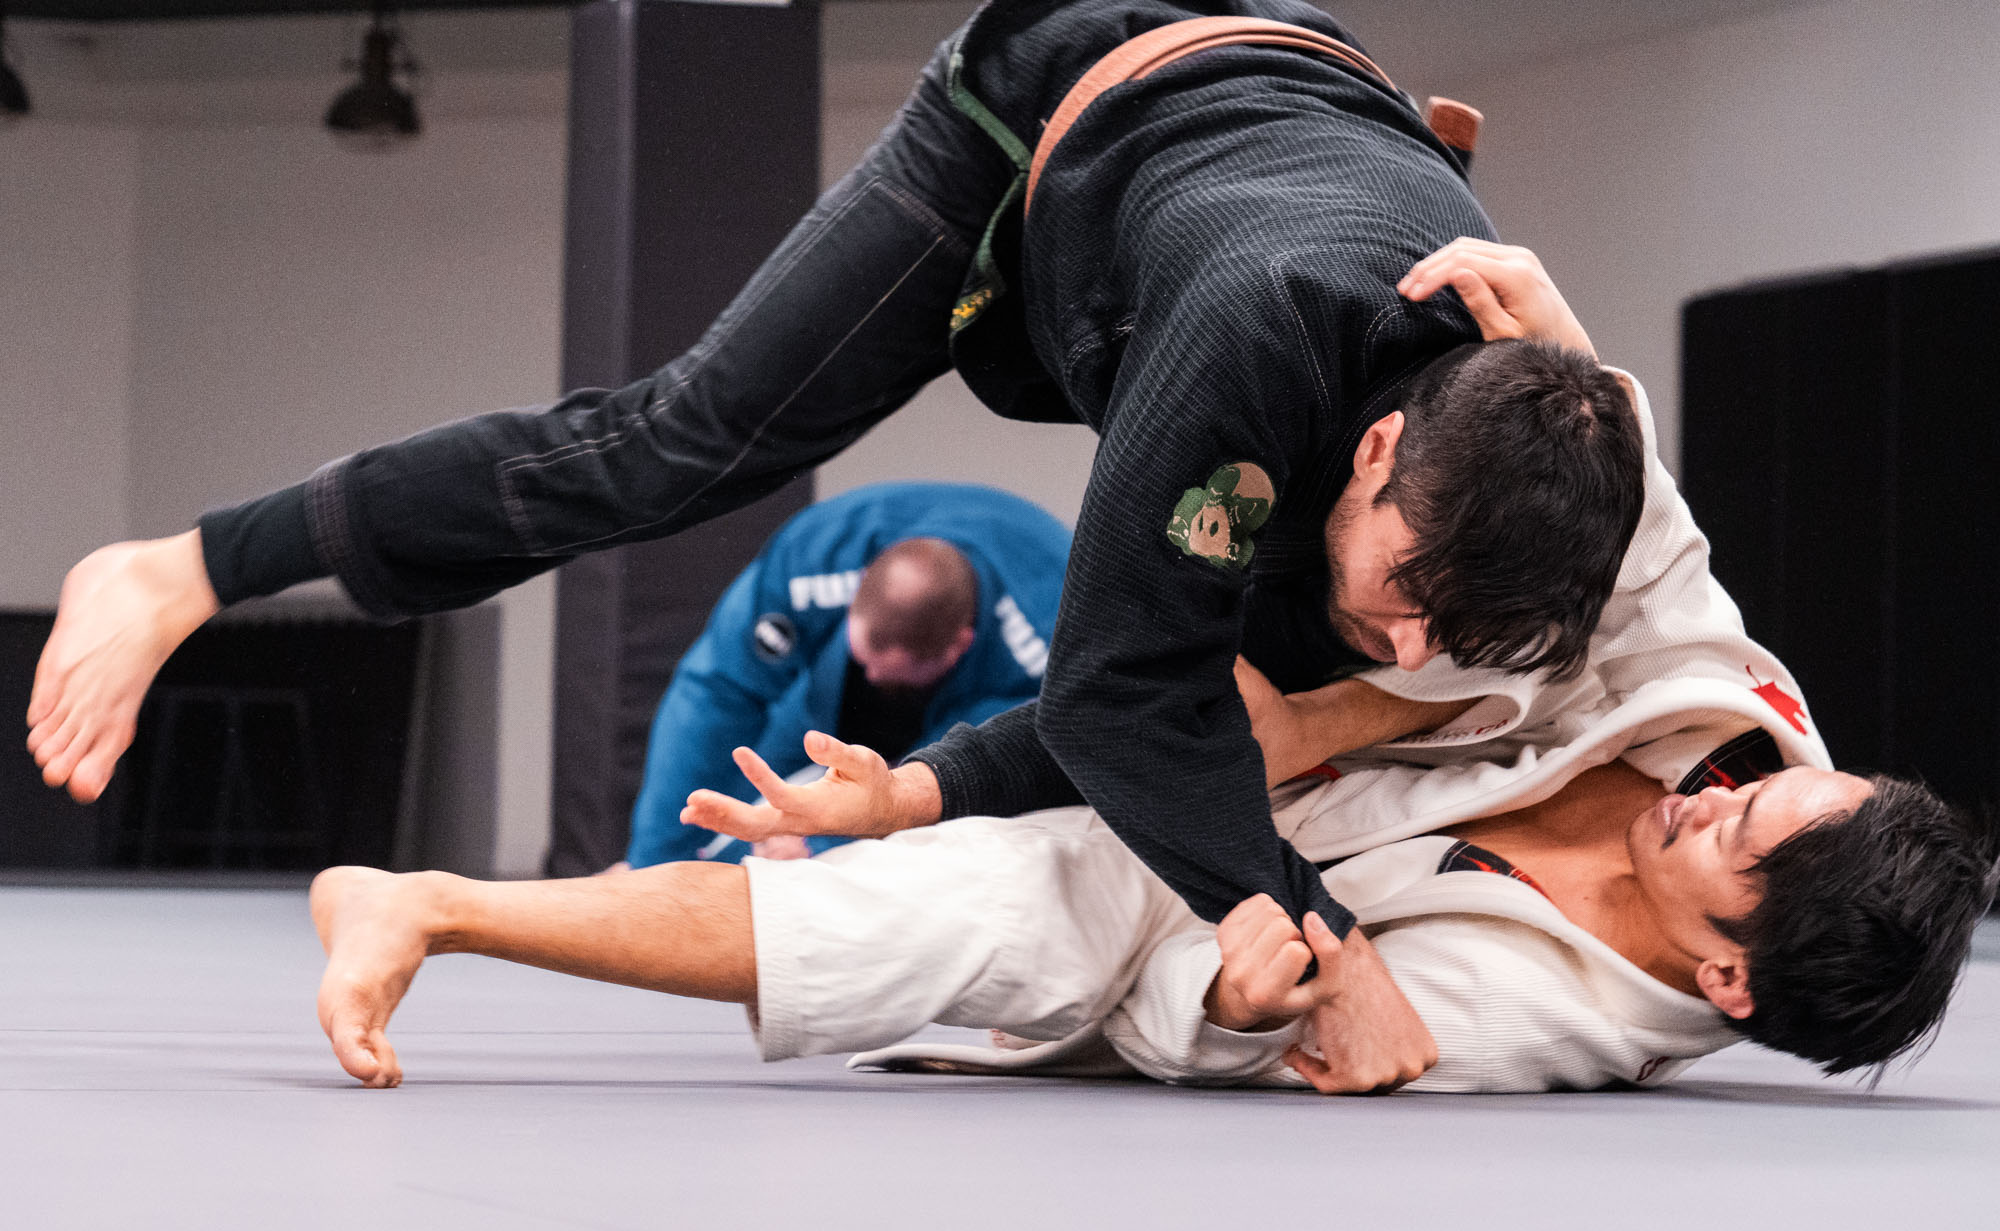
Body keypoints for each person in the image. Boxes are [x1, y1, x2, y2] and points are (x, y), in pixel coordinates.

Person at [25, 0, 1647, 1090]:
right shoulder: (1258, 338)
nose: (1410, 649)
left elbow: (1170, 699)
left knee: (1285, 651)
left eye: (1455, 632)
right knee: (680, 443)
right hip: (1056, 106)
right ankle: (186, 563)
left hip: (1288, 144)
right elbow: (1120, 695)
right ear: (1376, 451)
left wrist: (917, 791)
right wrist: (1312, 930)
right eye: (1412, 592)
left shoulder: (1552, 445)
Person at [306, 677, 1994, 1093]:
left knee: (928, 914)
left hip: (1174, 893)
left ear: (1729, 978)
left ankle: (431, 902)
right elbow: (1650, 536)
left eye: (1740, 839)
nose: (1720, 797)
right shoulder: (1738, 715)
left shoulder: (1541, 1018)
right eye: (1762, 783)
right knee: (933, 823)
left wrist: (1243, 1001)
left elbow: (1213, 1020)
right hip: (1257, 693)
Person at [623, 482, 1068, 867]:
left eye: (891, 675)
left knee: (823, 856)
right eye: (864, 659)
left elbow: (995, 778)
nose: (873, 676)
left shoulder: (1054, 633)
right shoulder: (822, 552)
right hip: (821, 703)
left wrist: (819, 845)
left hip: (980, 716)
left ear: (959, 646)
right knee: (746, 801)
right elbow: (715, 693)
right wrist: (653, 866)